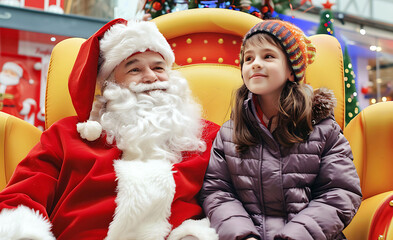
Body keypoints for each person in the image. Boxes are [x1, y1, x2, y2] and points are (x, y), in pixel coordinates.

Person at [0, 19, 220, 240]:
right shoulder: (66, 134)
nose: (151, 77)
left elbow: (230, 201)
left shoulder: (206, 137)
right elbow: (21, 196)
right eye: (135, 69)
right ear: (109, 84)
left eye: (158, 67)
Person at [200, 19, 362, 240]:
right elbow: (217, 192)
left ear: (291, 70)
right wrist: (242, 235)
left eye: (268, 56)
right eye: (248, 58)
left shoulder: (323, 129)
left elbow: (340, 194)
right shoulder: (230, 132)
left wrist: (295, 236)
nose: (255, 63)